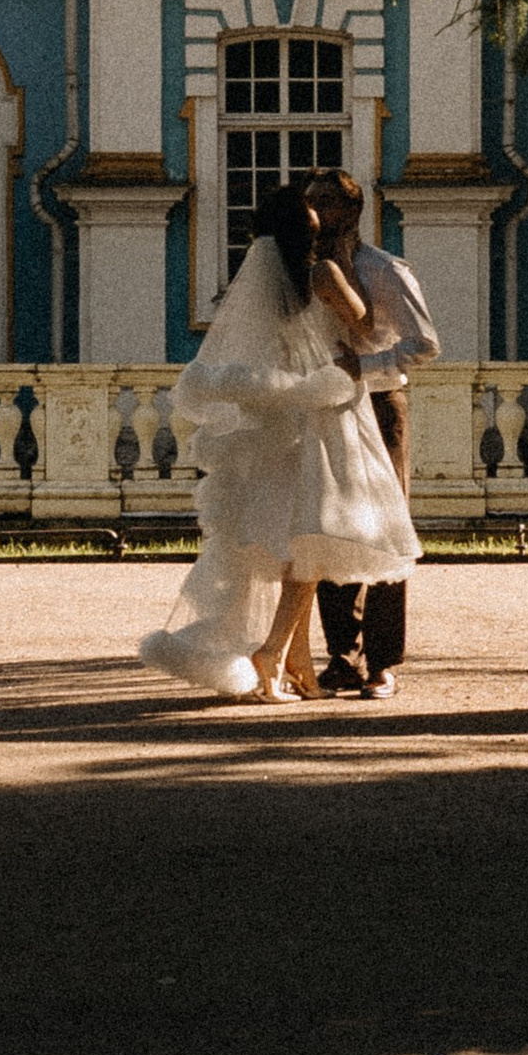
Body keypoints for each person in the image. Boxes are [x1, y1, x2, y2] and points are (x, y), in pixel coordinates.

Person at [139, 182, 419, 701]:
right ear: (306, 226)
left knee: (293, 541)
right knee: (312, 545)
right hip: (326, 408)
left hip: (280, 418)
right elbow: (364, 323)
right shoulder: (324, 273)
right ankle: (271, 654)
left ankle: (300, 667)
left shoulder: (260, 281)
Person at [306, 172, 439, 698]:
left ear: (351, 209)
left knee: (386, 528)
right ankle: (340, 655)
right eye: (309, 203)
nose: (315, 213)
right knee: (328, 526)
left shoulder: (383, 270)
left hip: (381, 405)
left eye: (326, 203)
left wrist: (366, 365)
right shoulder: (307, 273)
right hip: (327, 407)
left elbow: (425, 343)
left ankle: (383, 661)